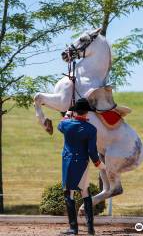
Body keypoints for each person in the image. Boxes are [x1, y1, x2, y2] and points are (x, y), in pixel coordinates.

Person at [58, 98, 106, 235]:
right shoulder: (91, 129)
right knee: (85, 192)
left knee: (69, 193)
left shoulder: (66, 124)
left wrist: (67, 114)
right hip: (83, 164)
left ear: (75, 111)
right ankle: (90, 228)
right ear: (87, 113)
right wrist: (98, 164)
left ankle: (73, 228)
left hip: (68, 162)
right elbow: (92, 151)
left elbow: (60, 125)